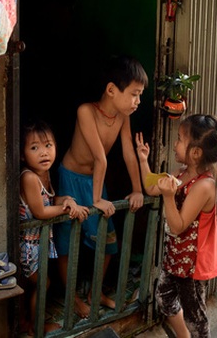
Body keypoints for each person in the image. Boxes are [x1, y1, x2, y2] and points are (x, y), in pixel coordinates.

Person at [54, 55, 148, 318]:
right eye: (134, 94)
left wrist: (138, 188)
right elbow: (100, 157)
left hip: (96, 180)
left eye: (140, 95)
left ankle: (95, 292)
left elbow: (128, 153)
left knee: (108, 242)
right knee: (65, 242)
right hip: (71, 180)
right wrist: (97, 199)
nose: (138, 102)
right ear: (111, 90)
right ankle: (71, 296)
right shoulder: (86, 111)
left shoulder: (122, 116)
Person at [135, 114, 217, 338]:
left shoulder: (204, 186)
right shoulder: (181, 173)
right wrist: (143, 160)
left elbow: (178, 226)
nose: (175, 144)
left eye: (179, 139)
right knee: (164, 299)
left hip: (192, 265)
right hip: (175, 258)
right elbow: (152, 188)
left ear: (196, 153)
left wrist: (169, 197)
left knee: (195, 316)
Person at [19, 119, 89, 336]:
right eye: (34, 148)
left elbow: (50, 201)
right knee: (43, 284)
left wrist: (67, 199)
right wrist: (67, 210)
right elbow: (40, 212)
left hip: (37, 242)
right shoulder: (29, 177)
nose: (43, 153)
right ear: (22, 155)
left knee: (35, 285)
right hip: (27, 245)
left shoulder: (45, 174)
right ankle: (36, 328)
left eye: (48, 145)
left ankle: (26, 324)